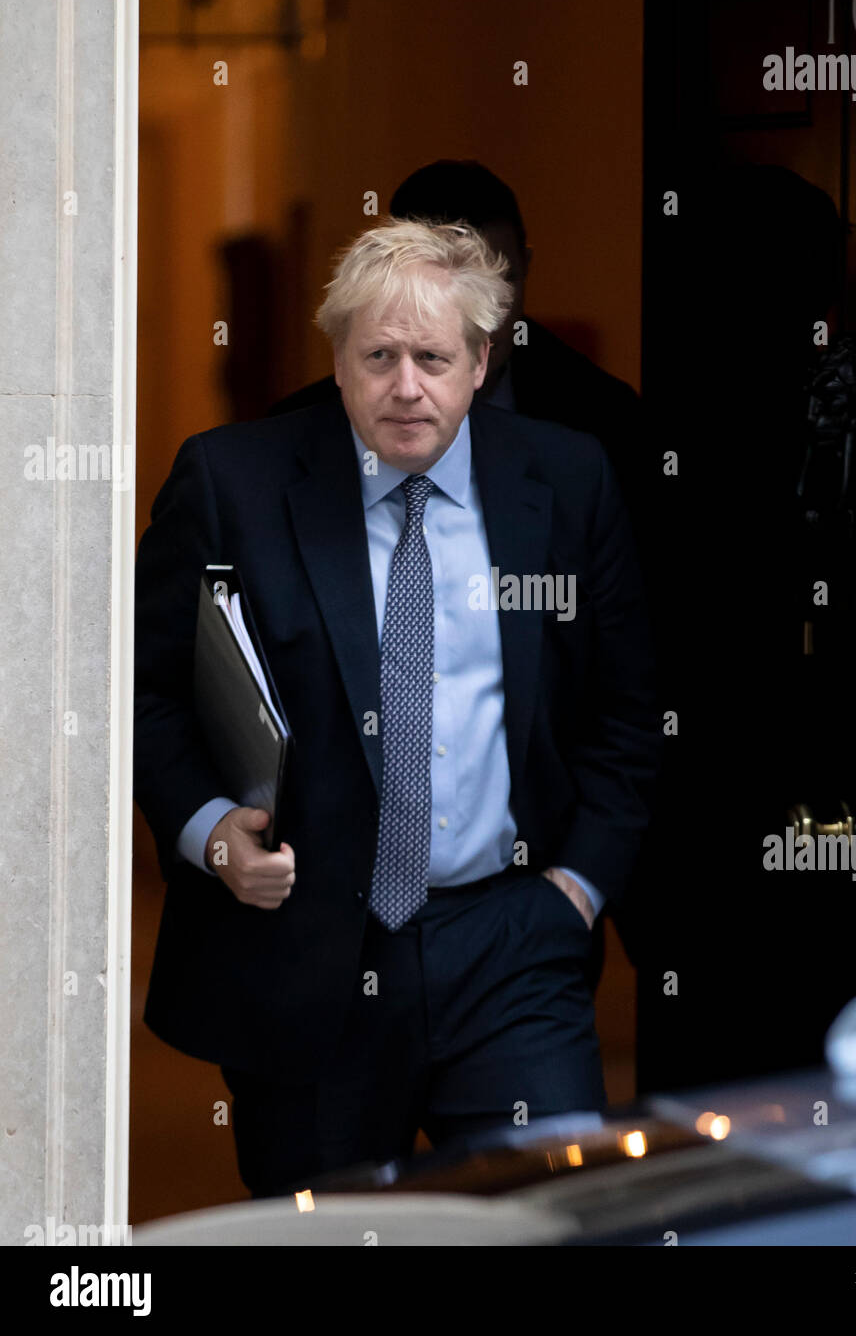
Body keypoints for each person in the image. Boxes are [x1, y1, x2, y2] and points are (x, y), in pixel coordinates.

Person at [134, 218, 661, 1198]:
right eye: (378, 356)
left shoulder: (566, 481)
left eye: (431, 357)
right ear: (337, 362)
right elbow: (147, 693)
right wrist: (212, 836)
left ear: (478, 363)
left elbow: (626, 712)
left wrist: (577, 889)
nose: (405, 385)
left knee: (553, 1213)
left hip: (511, 944)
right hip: (307, 947)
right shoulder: (232, 483)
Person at [269, 160, 640, 502]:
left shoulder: (602, 425)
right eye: (442, 287)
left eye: (500, 284)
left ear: (526, 267)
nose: (482, 319)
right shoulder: (286, 442)